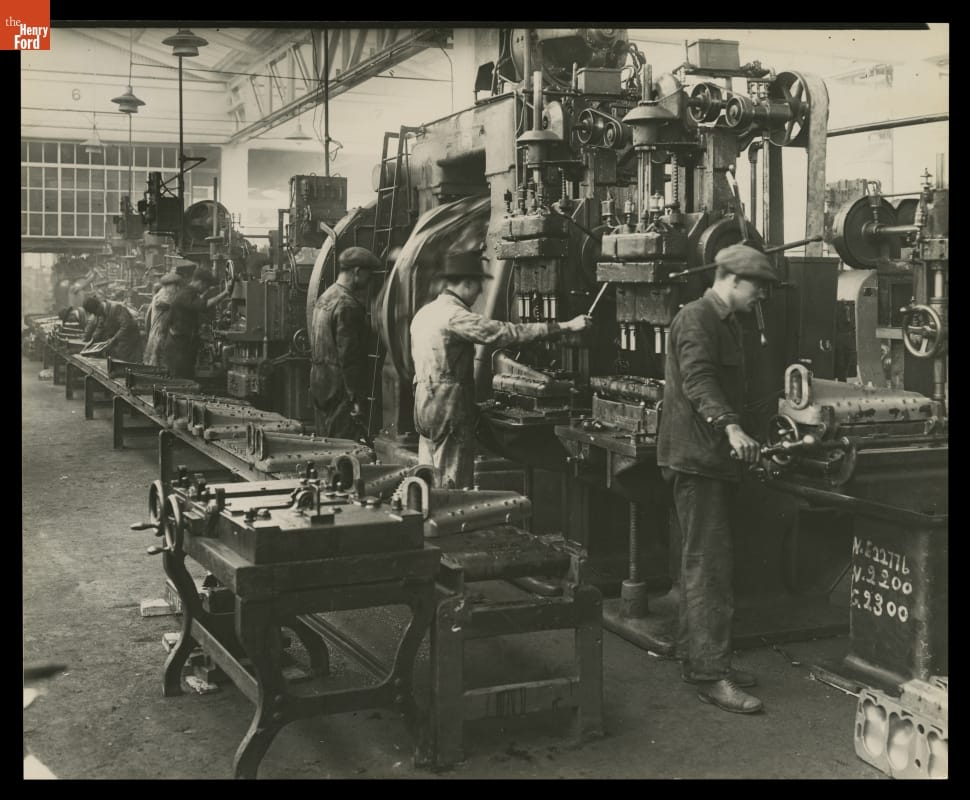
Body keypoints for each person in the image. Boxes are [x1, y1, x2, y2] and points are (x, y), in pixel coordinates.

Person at [657, 243, 778, 715]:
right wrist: (730, 427)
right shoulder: (697, 318)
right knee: (710, 568)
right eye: (757, 287)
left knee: (699, 564)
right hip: (698, 459)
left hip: (706, 458)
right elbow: (698, 380)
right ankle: (712, 674)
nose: (761, 296)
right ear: (731, 278)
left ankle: (697, 658)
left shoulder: (726, 322)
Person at [410, 249, 592, 490]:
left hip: (424, 405)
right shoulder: (455, 316)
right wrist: (565, 326)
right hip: (447, 408)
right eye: (478, 286)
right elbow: (504, 333)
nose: (479, 292)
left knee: (427, 474)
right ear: (467, 282)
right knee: (451, 485)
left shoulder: (425, 313)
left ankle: (423, 510)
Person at [309, 246, 381, 439]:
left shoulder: (325, 298)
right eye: (368, 275)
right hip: (340, 391)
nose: (369, 281)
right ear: (357, 272)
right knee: (344, 447)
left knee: (325, 444)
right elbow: (349, 357)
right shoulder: (347, 305)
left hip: (320, 385)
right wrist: (356, 398)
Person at [161, 266, 234, 379]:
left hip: (182, 344)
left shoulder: (188, 292)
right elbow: (203, 306)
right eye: (206, 286)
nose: (206, 289)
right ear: (200, 282)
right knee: (181, 380)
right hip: (179, 348)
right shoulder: (185, 294)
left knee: (185, 377)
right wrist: (225, 293)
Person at [81, 296, 143, 362]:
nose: (96, 315)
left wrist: (113, 339)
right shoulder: (102, 312)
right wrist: (92, 341)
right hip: (119, 341)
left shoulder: (116, 307)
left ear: (99, 306)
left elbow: (126, 326)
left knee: (126, 362)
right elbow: (100, 327)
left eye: (95, 313)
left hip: (129, 341)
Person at [143, 271, 185, 366]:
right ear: (170, 285)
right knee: (156, 357)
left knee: (156, 356)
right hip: (159, 330)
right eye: (176, 286)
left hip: (160, 329)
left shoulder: (164, 293)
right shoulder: (164, 294)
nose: (177, 289)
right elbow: (163, 304)